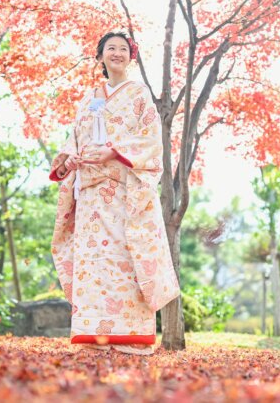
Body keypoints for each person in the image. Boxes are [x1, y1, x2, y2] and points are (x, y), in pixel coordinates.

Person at [48, 31, 179, 355]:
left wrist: (113, 152)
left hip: (123, 190)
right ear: (100, 57)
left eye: (123, 49)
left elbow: (151, 138)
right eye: (111, 48)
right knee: (92, 262)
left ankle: (130, 335)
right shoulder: (89, 97)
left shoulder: (139, 94)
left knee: (125, 258)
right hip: (90, 195)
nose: (117, 53)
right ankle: (92, 335)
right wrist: (69, 160)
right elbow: (75, 137)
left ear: (130, 57)